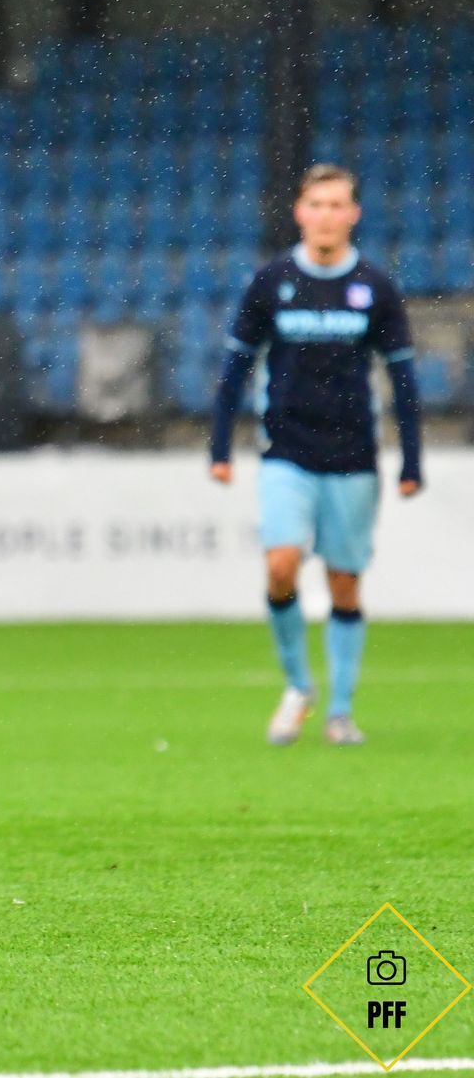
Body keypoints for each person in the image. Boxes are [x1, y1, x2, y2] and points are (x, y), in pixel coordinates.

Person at [209, 164, 424, 747]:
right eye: (317, 205)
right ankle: (298, 686)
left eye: (337, 205)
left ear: (353, 214)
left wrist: (411, 461)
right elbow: (236, 368)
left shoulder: (374, 287)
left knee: (343, 584)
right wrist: (220, 446)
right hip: (286, 451)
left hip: (353, 455)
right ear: (300, 212)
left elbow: (402, 380)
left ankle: (341, 710)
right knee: (280, 564)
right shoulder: (272, 281)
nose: (326, 216)